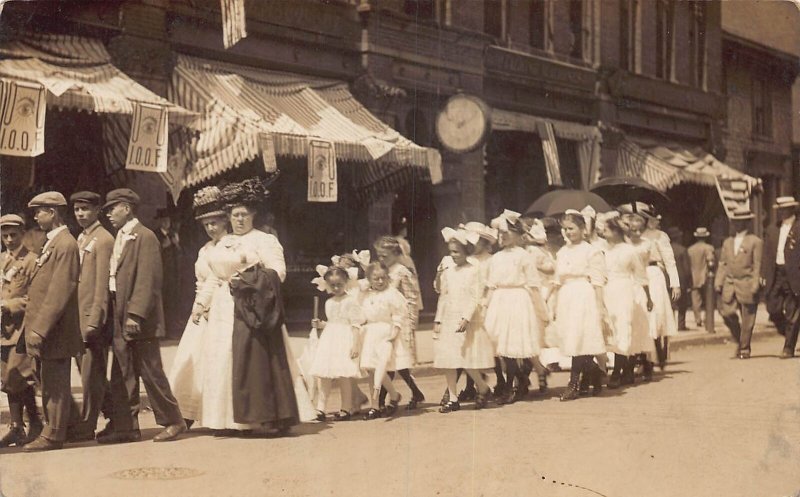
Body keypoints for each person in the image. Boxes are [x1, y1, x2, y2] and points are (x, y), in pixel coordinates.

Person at [219, 178, 314, 435]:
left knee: (263, 364)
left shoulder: (265, 240)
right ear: (228, 217)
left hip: (257, 308)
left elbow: (278, 272)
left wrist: (249, 279)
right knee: (231, 364)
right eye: (235, 215)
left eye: (244, 215)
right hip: (225, 311)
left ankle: (272, 416)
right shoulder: (223, 241)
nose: (239, 220)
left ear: (253, 216)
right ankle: (236, 420)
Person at [101, 188, 186, 444]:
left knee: (150, 371)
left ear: (126, 208)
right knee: (122, 370)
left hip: (139, 317)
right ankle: (128, 426)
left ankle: (173, 421)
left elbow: (148, 280)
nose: (108, 215)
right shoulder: (120, 236)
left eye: (111, 209)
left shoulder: (145, 236)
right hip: (119, 310)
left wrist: (136, 314)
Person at [20, 192, 84, 451]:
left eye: (40, 211)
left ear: (54, 212)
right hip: (47, 328)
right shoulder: (52, 243)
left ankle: (54, 434)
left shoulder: (65, 244)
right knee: (47, 380)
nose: (36, 216)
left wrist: (40, 329)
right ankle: (67, 425)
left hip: (54, 330)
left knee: (54, 383)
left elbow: (59, 291)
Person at [167, 186, 229, 429]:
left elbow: (218, 280)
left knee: (216, 359)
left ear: (225, 222)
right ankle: (186, 412)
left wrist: (207, 304)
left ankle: (219, 414)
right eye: (207, 225)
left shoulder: (230, 246)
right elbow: (201, 281)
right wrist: (198, 306)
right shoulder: (205, 249)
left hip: (222, 306)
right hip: (201, 308)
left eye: (215, 223)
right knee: (191, 356)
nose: (211, 228)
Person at [484, 210, 549, 404]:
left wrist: (541, 311)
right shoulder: (495, 258)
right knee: (500, 346)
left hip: (518, 300)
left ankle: (513, 385)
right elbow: (491, 284)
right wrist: (486, 304)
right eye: (500, 233)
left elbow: (533, 284)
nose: (502, 236)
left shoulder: (523, 256)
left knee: (512, 345)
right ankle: (520, 380)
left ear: (518, 235)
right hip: (499, 300)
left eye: (507, 232)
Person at [66, 191, 115, 442]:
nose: (81, 214)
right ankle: (116, 416)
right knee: (89, 372)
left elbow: (101, 284)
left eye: (85, 209)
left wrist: (96, 318)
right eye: (77, 210)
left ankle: (87, 424)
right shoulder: (82, 237)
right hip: (78, 315)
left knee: (92, 375)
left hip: (92, 318)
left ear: (98, 211)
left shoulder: (103, 239)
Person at [433, 228, 494, 412]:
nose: (452, 255)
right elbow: (441, 292)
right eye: (451, 251)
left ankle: (482, 387)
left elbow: (475, 297)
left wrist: (466, 317)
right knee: (449, 360)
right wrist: (438, 275)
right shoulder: (449, 269)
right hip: (449, 316)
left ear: (466, 251)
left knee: (465, 359)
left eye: (456, 252)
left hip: (465, 318)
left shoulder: (474, 270)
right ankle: (452, 397)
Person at [551, 210, 607, 401]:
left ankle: (573, 384)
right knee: (574, 340)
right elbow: (557, 280)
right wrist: (554, 302)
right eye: (565, 229)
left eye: (572, 228)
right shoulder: (562, 251)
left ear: (583, 229)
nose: (568, 232)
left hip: (584, 295)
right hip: (567, 296)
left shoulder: (591, 251)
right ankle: (596, 373)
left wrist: (600, 305)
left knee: (579, 338)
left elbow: (598, 280)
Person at [0, 214, 40, 447]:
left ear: (22, 234)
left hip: (22, 327)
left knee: (20, 375)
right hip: (3, 330)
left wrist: (9, 305)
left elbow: (35, 296)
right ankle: (16, 427)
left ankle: (35, 422)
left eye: (13, 235)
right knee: (6, 377)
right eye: (4, 235)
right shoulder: (2, 259)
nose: (8, 239)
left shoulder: (31, 261)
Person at [601, 214, 653, 389]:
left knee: (623, 328)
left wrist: (648, 297)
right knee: (610, 329)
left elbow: (640, 275)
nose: (603, 232)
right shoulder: (603, 250)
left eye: (606, 229)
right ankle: (620, 369)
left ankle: (618, 371)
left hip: (624, 290)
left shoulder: (629, 250)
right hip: (607, 290)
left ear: (616, 231)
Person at [374, 236, 426, 410]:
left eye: (385, 256)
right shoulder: (381, 271)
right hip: (385, 322)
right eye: (379, 256)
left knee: (393, 361)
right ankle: (415, 392)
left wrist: (411, 323)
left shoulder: (402, 271)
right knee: (390, 361)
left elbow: (411, 298)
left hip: (400, 322)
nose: (382, 259)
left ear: (396, 254)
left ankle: (382, 401)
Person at [309, 265, 365, 421]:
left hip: (345, 339)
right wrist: (321, 325)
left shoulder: (351, 301)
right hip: (330, 339)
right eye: (332, 285)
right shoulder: (329, 302)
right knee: (324, 374)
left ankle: (346, 408)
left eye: (339, 284)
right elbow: (332, 323)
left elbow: (355, 324)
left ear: (346, 282)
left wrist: (355, 344)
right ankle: (320, 408)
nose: (336, 287)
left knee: (344, 374)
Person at [358, 262, 406, 420]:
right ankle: (391, 396)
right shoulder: (367, 295)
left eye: (383, 278)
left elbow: (398, 315)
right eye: (376, 279)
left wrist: (395, 333)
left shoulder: (392, 294)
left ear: (388, 278)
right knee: (371, 368)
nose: (380, 282)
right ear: (369, 279)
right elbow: (360, 313)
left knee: (380, 367)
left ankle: (375, 405)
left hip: (386, 333)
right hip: (370, 334)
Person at [714, 208, 763, 359]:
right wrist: (718, 281)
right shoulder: (728, 242)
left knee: (748, 317)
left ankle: (744, 348)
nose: (736, 224)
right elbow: (723, 263)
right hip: (730, 282)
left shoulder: (755, 241)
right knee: (726, 312)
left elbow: (757, 264)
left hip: (747, 282)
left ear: (747, 222)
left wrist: (756, 282)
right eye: (734, 222)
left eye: (740, 221)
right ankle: (740, 336)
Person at [761, 196, 800, 358]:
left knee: (792, 310)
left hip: (794, 274)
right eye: (780, 210)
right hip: (776, 273)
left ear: (792, 210)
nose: (782, 212)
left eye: (785, 209)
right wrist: (763, 274)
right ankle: (791, 332)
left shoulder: (798, 228)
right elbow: (766, 254)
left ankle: (788, 348)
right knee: (773, 308)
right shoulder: (772, 229)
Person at [154, 207, 183, 338]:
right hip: (163, 274)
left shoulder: (173, 234)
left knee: (174, 302)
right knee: (164, 303)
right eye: (163, 220)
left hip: (174, 274)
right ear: (159, 221)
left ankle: (173, 329)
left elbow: (180, 254)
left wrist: (176, 245)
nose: (166, 223)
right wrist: (164, 246)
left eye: (168, 220)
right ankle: (165, 331)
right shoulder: (156, 235)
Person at [688, 227, 716, 329]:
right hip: (705, 277)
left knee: (695, 300)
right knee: (708, 299)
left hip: (693, 277)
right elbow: (710, 261)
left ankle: (698, 319)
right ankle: (707, 318)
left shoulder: (690, 249)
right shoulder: (709, 248)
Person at [667, 227, 692, 331]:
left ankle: (671, 324)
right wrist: (690, 282)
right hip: (681, 280)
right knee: (682, 304)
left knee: (670, 303)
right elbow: (686, 268)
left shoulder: (666, 249)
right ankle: (681, 325)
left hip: (668, 278)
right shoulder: (682, 250)